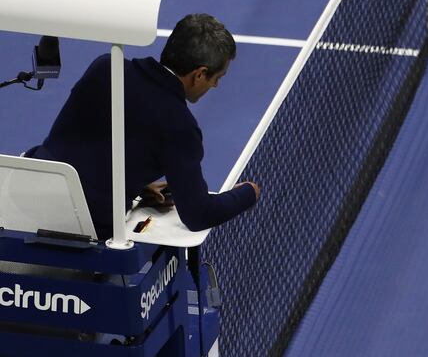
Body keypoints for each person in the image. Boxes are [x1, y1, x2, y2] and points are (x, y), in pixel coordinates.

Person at [25, 13, 261, 240]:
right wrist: (248, 193)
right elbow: (199, 214)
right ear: (199, 74)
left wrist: (135, 184)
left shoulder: (105, 67)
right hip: (83, 227)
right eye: (217, 77)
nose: (216, 85)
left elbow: (92, 145)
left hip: (25, 196)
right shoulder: (179, 126)